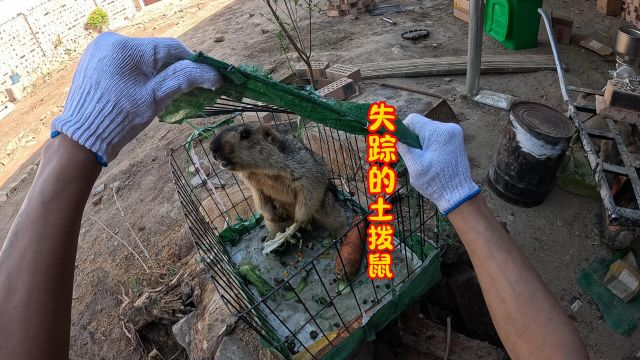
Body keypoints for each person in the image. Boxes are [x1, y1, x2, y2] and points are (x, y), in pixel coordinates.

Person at [0, 33, 588, 360]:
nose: (232, 152)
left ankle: (374, 257)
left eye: (241, 143)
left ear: (264, 138)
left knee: (360, 226)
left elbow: (307, 183)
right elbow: (261, 192)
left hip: (321, 208)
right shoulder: (248, 164)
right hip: (295, 211)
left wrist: (75, 148)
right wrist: (463, 200)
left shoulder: (286, 149)